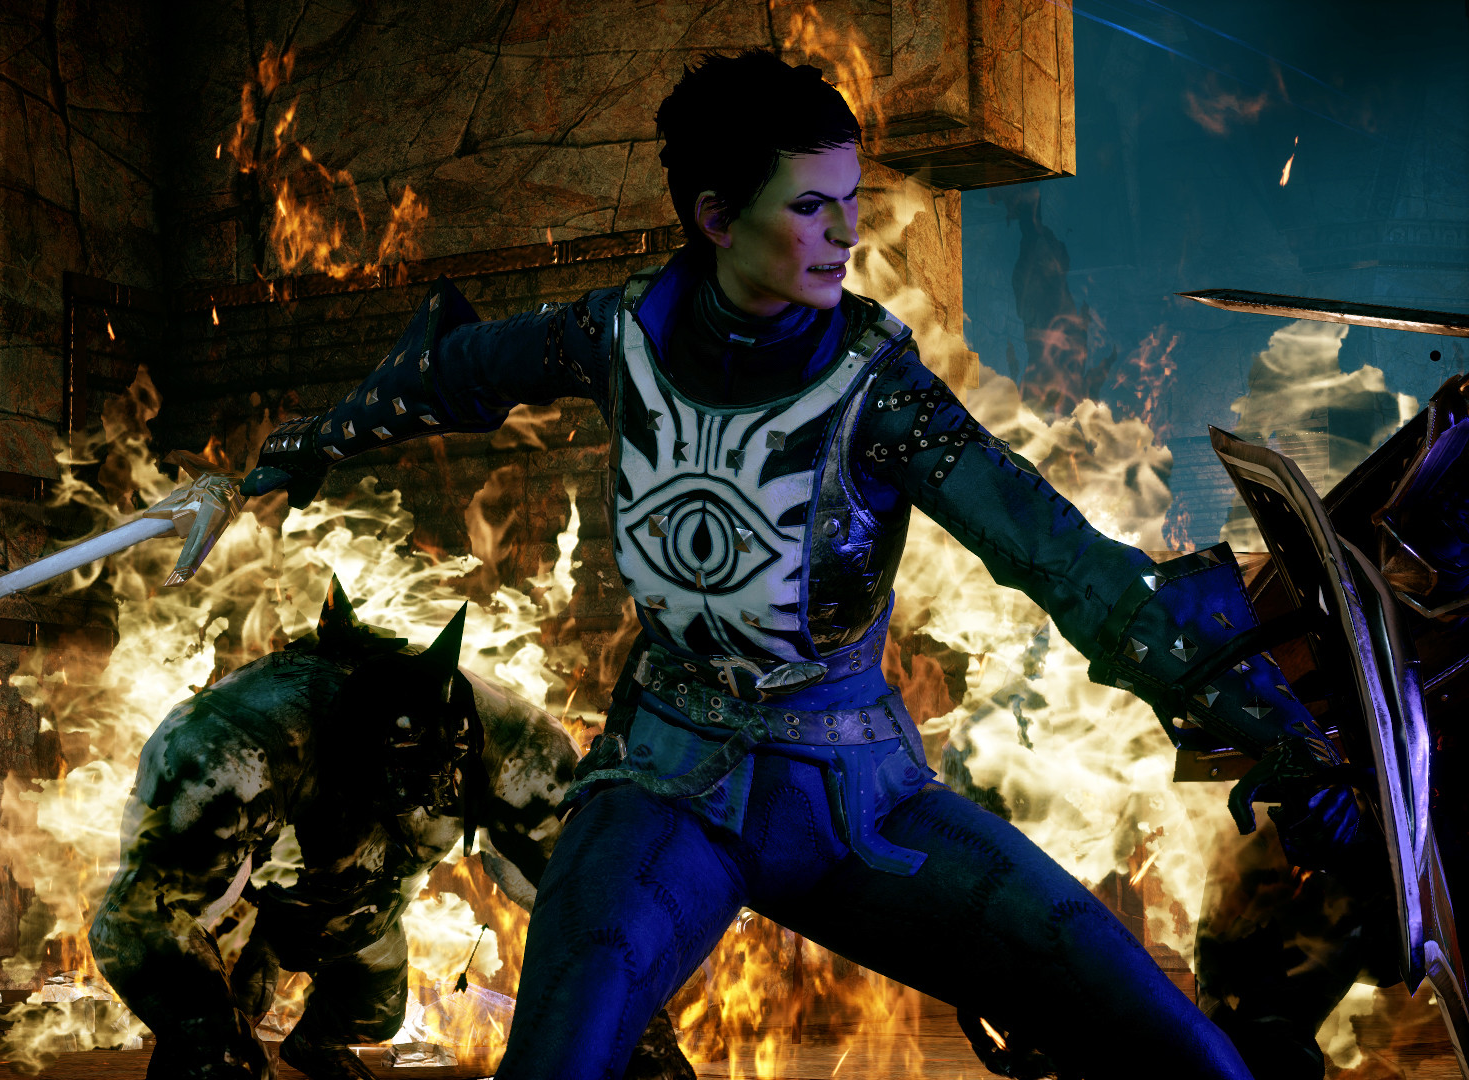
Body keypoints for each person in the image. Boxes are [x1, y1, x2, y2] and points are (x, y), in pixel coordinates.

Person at [242, 50, 1351, 1079]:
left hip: (860, 803)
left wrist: (1270, 725)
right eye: (811, 206)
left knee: (1174, 1046)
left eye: (850, 201)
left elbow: (1057, 557)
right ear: (717, 218)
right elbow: (447, 375)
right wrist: (298, 449)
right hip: (662, 790)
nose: (844, 234)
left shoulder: (881, 388)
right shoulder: (616, 335)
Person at [87, 582, 692, 1080]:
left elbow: (585, 904)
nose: (421, 795)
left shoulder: (513, 747)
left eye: (435, 774)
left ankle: (314, 1048)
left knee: (374, 1014)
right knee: (219, 1053)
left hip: (360, 913)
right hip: (239, 910)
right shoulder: (231, 749)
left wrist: (642, 1042)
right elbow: (135, 921)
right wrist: (212, 1036)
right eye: (397, 774)